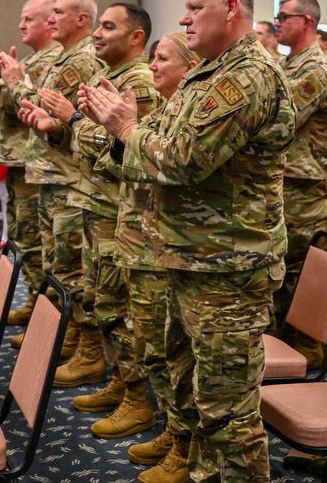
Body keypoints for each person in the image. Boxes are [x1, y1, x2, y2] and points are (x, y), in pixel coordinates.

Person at [79, 0, 296, 483]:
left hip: (228, 268)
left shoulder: (248, 75)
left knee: (227, 409)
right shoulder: (209, 71)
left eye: (197, 6)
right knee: (190, 386)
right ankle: (199, 471)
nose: (185, 16)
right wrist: (121, 132)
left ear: (231, 9)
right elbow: (152, 151)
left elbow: (179, 160)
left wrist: (125, 127)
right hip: (189, 256)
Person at [23, 3, 161, 435]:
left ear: (135, 37)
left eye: (108, 26)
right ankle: (120, 382)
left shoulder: (138, 82)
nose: (98, 34)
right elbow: (93, 144)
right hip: (95, 202)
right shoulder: (112, 78)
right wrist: (59, 125)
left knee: (117, 309)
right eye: (97, 26)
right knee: (100, 302)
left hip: (115, 208)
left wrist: (74, 119)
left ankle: (136, 397)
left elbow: (131, 154)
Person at [115, 32, 200, 473]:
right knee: (156, 347)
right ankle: (174, 430)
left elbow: (169, 169)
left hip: (171, 246)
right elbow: (128, 165)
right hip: (149, 238)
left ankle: (185, 443)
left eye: (162, 58)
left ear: (189, 67)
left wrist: (125, 128)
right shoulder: (169, 108)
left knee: (174, 355)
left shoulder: (188, 110)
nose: (152, 66)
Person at [3, 0, 104, 355]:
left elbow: (32, 107)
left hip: (67, 176)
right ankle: (68, 332)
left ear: (81, 19)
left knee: (70, 265)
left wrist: (15, 81)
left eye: (58, 13)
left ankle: (80, 342)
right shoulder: (65, 57)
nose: (50, 20)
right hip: (53, 172)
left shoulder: (80, 60)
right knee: (56, 261)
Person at [0, 0, 62, 318]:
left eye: (28, 19)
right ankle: (35, 302)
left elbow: (10, 100)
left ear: (50, 23)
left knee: (32, 237)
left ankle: (43, 311)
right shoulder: (36, 58)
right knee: (24, 235)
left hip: (30, 161)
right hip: (21, 160)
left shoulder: (48, 60)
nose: (21, 25)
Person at [272, 0, 327, 364]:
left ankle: (305, 350)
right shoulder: (290, 63)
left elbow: (282, 119)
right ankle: (287, 350)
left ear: (307, 21)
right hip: (286, 180)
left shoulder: (316, 68)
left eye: (284, 16)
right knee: (284, 271)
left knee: (300, 274)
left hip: (303, 184)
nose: (277, 21)